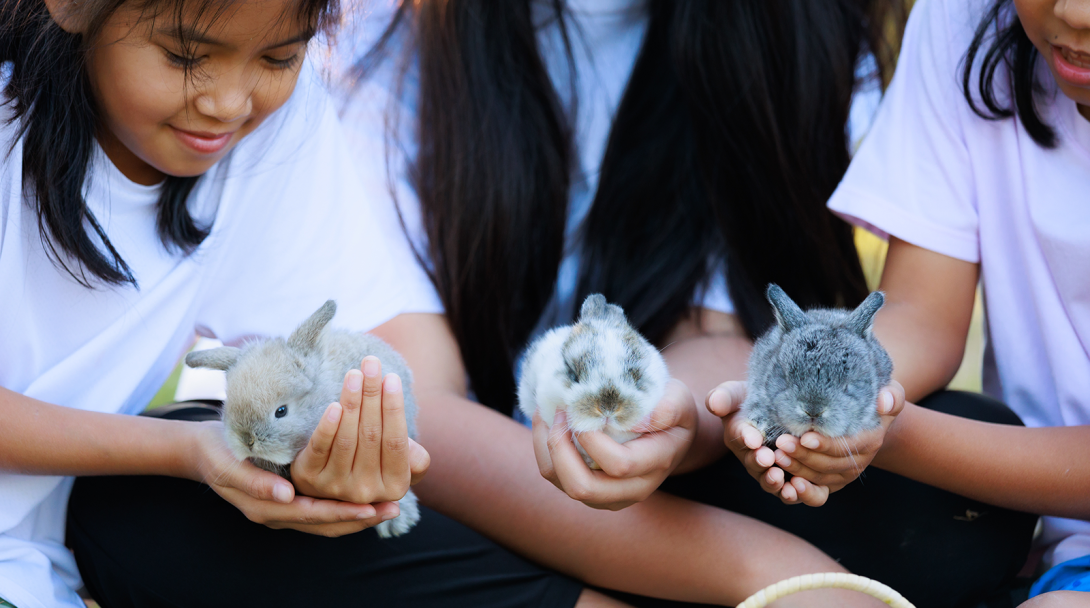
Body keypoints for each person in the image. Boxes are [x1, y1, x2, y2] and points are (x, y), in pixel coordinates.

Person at [326, 1, 1034, 605]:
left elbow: (722, 328)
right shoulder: (377, 36)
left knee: (959, 508)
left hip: (661, 483)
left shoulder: (791, 27)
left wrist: (673, 416)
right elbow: (418, 413)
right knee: (325, 511)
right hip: (456, 481)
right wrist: (782, 574)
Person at [0, 0, 429, 606]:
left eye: (280, 56)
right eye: (186, 57)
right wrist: (188, 450)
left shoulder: (273, 128)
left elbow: (378, 342)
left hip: (34, 564)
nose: (229, 102)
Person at [715, 0, 1090, 605]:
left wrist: (885, 434)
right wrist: (825, 401)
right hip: (1062, 544)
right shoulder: (961, 20)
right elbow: (920, 313)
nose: (1075, 12)